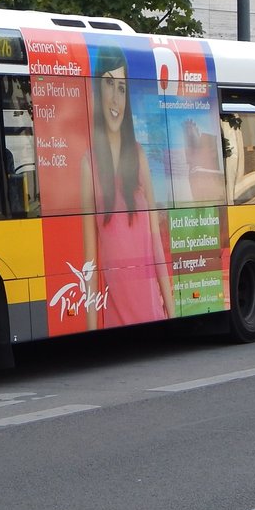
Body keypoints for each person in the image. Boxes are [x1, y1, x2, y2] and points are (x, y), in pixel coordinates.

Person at [81, 45, 175, 329]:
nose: (115, 97)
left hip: (151, 310)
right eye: (108, 83)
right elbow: (90, 264)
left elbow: (156, 247)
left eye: (122, 88)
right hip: (115, 317)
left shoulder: (139, 156)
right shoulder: (89, 165)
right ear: (98, 89)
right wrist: (89, 330)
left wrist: (172, 314)